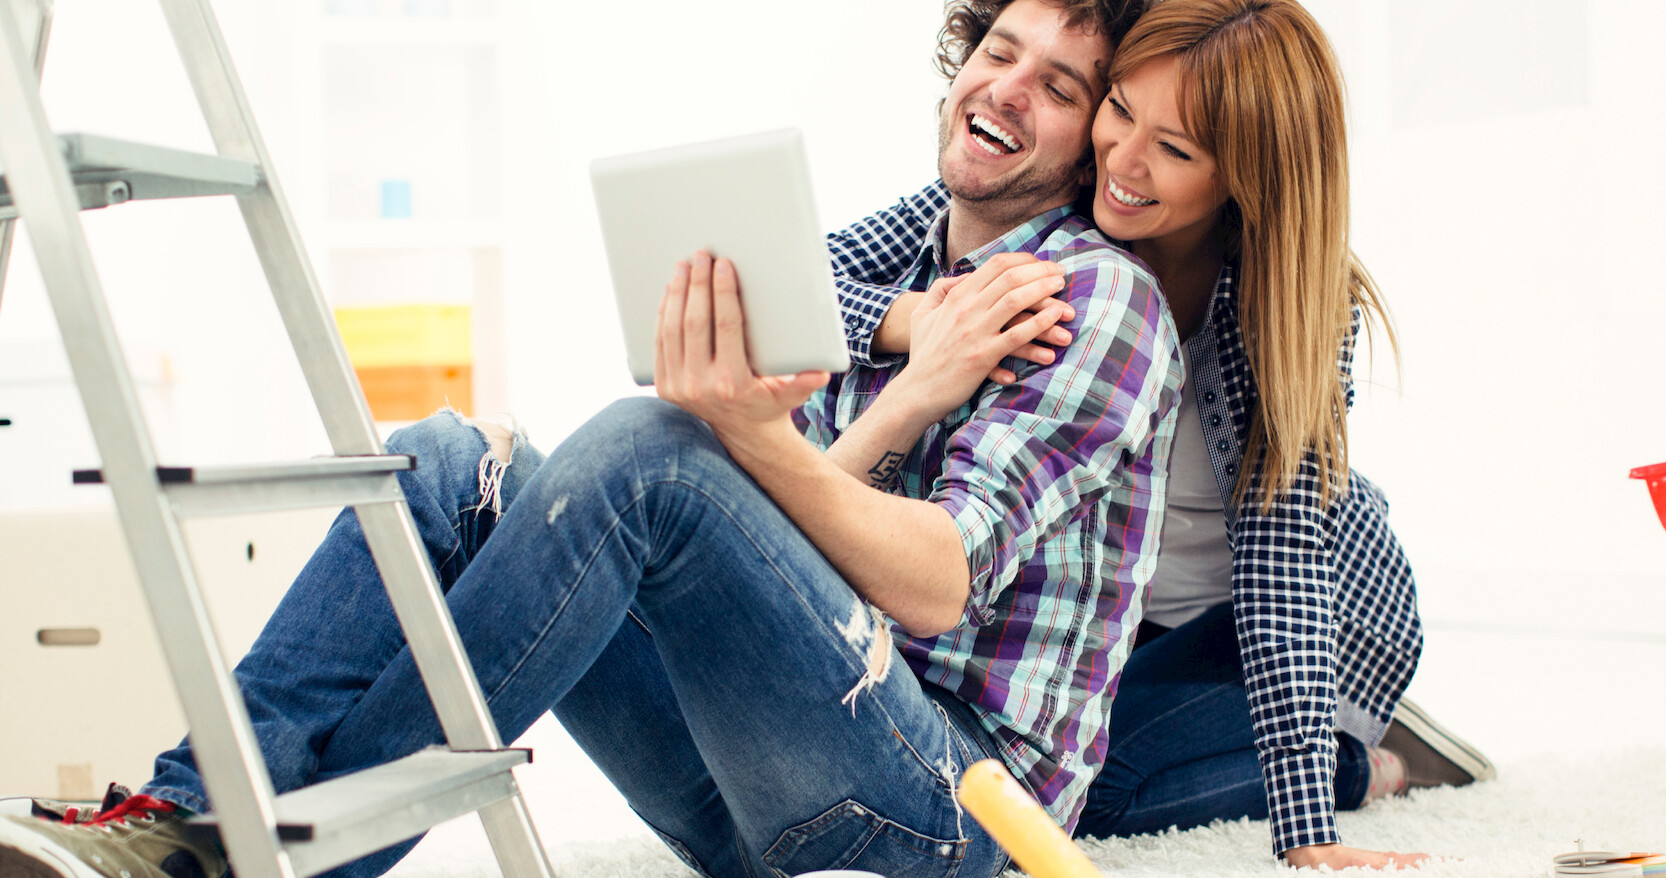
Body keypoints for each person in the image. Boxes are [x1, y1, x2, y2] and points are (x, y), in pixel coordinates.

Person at [0, 2, 1179, 878]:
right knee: (453, 459)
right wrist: (900, 380)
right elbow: (803, 559)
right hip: (765, 759)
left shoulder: (1093, 297)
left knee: (648, 451)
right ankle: (184, 816)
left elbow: (933, 583)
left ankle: (250, 856)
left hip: (949, 818)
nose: (1008, 88)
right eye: (998, 51)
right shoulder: (909, 255)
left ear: (1094, 138)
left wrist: (754, 431)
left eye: (1059, 85)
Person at [826, 0, 1496, 871]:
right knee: (1032, 783)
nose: (1123, 160)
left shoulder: (1287, 307)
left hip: (1284, 619)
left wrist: (1307, 833)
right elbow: (811, 277)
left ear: (1245, 177)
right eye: (1118, 109)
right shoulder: (1057, 196)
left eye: (1174, 149)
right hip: (1138, 618)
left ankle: (1367, 758)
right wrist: (922, 320)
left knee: (1095, 801)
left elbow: (1282, 560)